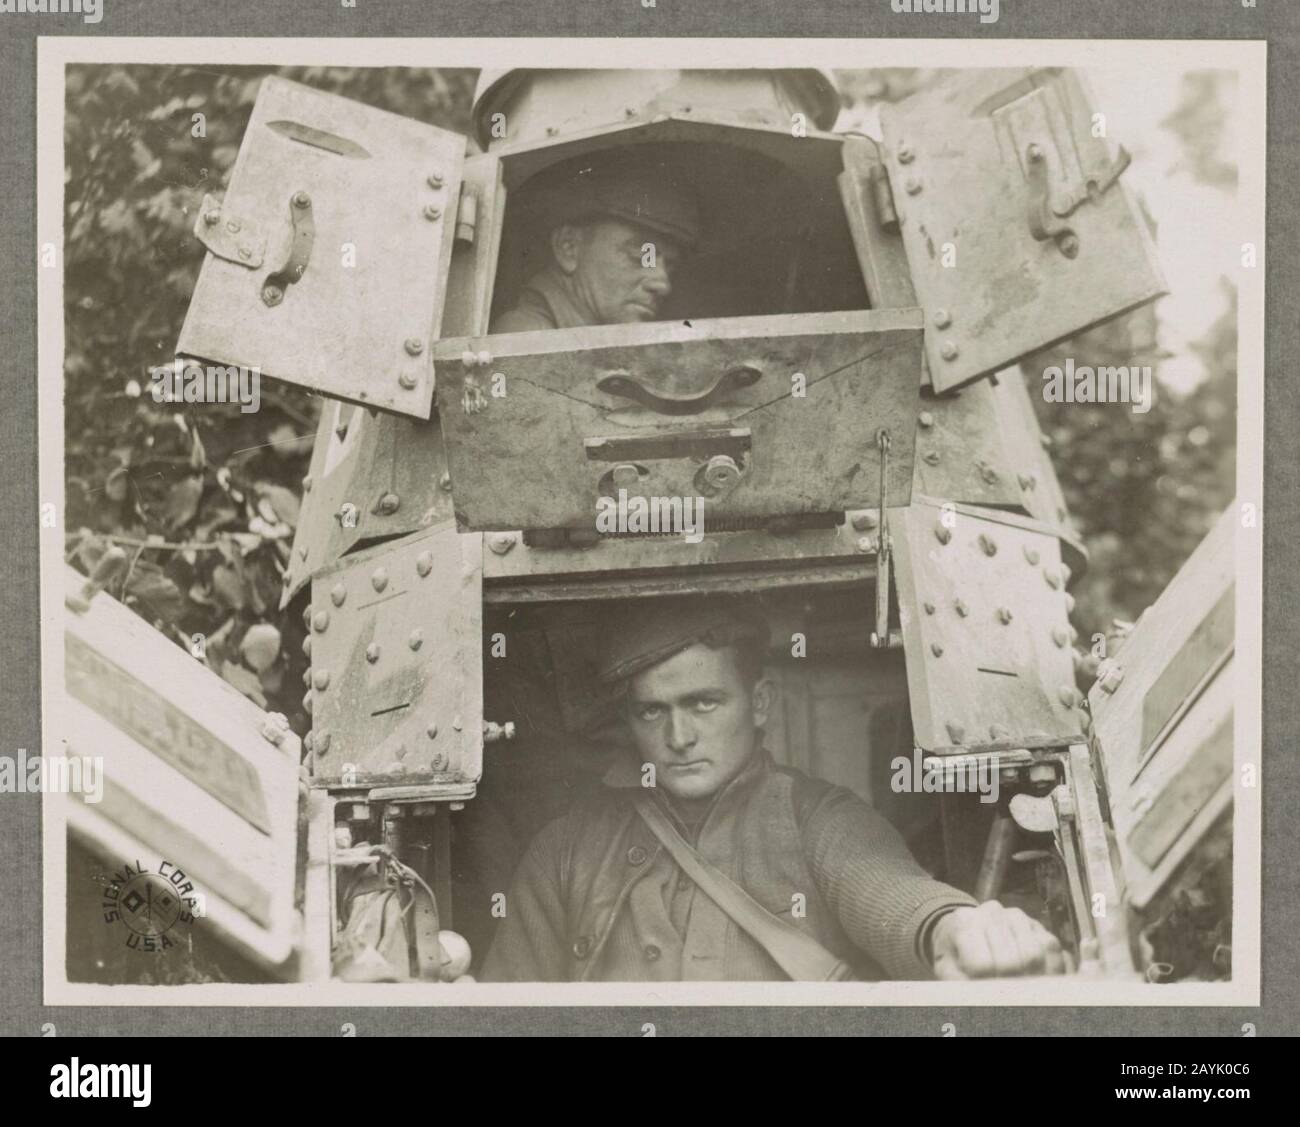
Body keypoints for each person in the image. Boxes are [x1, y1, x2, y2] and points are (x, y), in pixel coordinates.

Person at [480, 599, 1070, 982]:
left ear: (759, 703)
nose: (679, 736)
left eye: (703, 703)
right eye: (651, 712)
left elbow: (898, 898)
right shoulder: (565, 851)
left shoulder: (819, 819)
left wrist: (958, 928)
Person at [490, 150, 699, 333]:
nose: (662, 284)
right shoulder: (527, 338)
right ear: (568, 247)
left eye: (670, 267)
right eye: (642, 255)